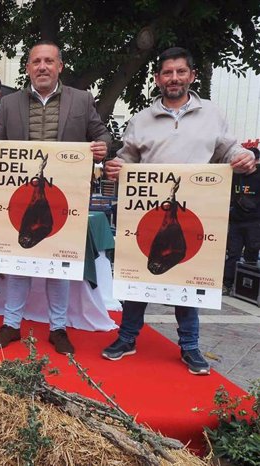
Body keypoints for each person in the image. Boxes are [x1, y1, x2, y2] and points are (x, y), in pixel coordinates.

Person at [103, 46, 256, 375]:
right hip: (149, 212)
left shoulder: (213, 114)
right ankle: (127, 338)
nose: (174, 78)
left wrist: (244, 157)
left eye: (180, 72)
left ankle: (189, 347)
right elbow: (127, 158)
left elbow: (230, 149)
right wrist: (116, 167)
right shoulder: (141, 119)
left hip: (195, 212)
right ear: (158, 79)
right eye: (167, 73)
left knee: (188, 281)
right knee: (137, 279)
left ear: (192, 75)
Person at [0, 40, 110, 354]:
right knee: (18, 262)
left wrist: (103, 147)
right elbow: (0, 142)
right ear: (27, 68)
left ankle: (58, 328)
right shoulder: (9, 103)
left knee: (59, 263)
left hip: (64, 197)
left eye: (48, 61)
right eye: (36, 61)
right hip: (21, 196)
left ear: (59, 66)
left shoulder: (81, 100)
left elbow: (103, 134)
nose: (42, 67)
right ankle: (11, 324)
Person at [223, 147, 260, 296]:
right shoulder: (235, 174)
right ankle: (227, 284)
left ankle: (248, 289)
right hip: (236, 222)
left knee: (251, 253)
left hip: (254, 223)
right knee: (233, 254)